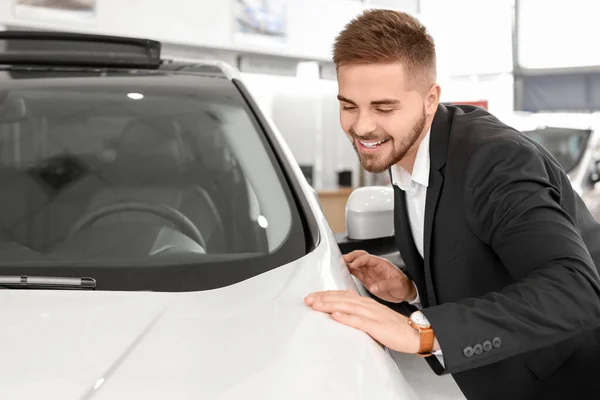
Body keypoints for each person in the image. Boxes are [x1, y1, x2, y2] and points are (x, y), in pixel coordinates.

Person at [303, 9, 600, 400]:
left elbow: (574, 290)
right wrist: (412, 286)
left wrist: (424, 331)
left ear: (430, 100)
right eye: (348, 106)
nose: (361, 127)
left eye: (384, 108)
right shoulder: (411, 154)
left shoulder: (493, 161)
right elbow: (476, 252)